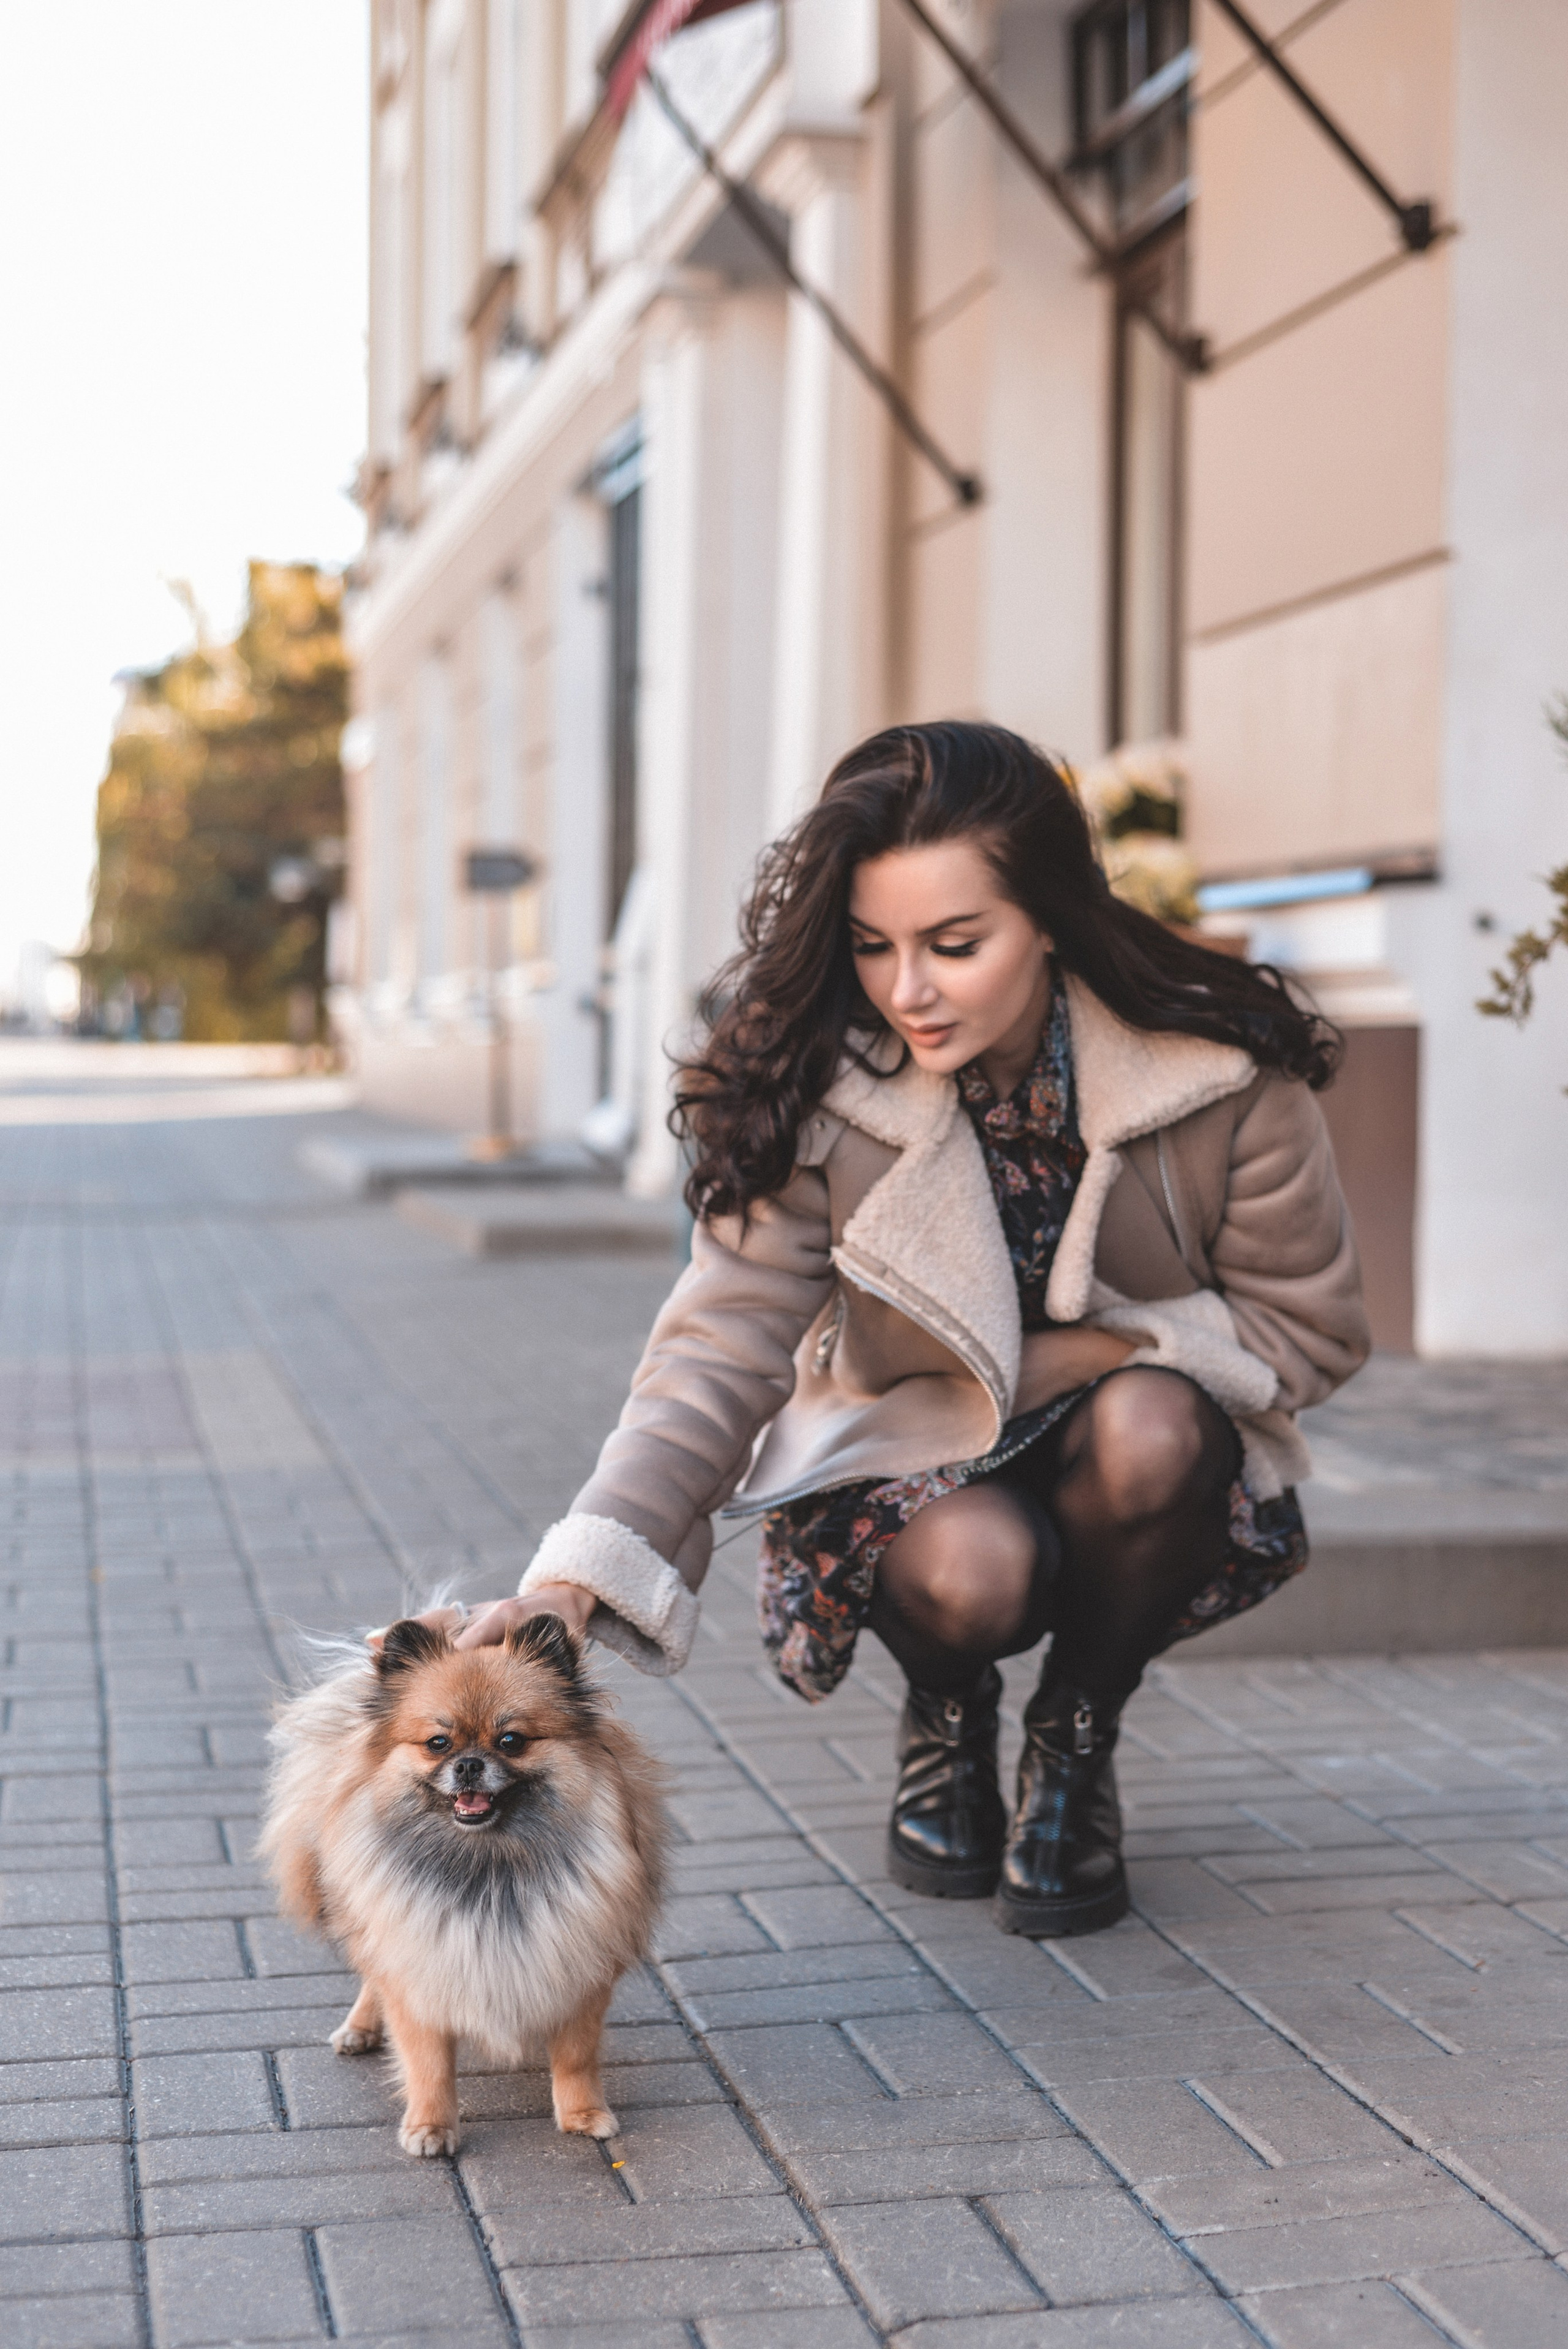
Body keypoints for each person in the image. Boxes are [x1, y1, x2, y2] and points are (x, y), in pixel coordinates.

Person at [422, 722, 1369, 1937]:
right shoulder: (822, 1081)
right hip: (903, 1459)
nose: (906, 989)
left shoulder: (1218, 1074)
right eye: (872, 947)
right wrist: (575, 1573)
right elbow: (718, 1346)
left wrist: (1093, 1356)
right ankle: (947, 1706)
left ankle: (1075, 1735)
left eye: (954, 945)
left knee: (1153, 1424)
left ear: (1048, 921)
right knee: (974, 1575)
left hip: (1126, 1452)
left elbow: (1307, 1328)